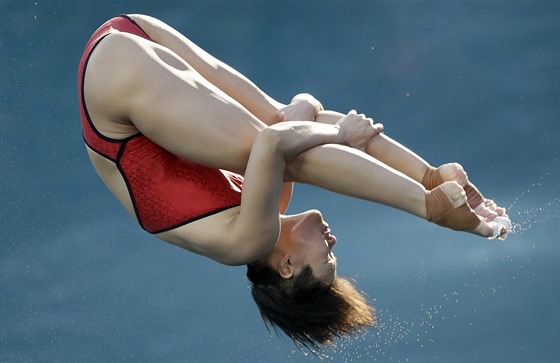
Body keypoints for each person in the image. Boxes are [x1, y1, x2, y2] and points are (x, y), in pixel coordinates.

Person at [78, 14, 510, 350]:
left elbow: (275, 141)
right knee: (285, 140)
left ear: (286, 267)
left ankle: (430, 206)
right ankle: (430, 178)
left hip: (114, 82)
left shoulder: (244, 244)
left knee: (285, 153)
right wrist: (317, 125)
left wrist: (339, 136)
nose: (333, 243)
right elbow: (294, 117)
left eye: (327, 260)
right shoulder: (268, 206)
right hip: (130, 39)